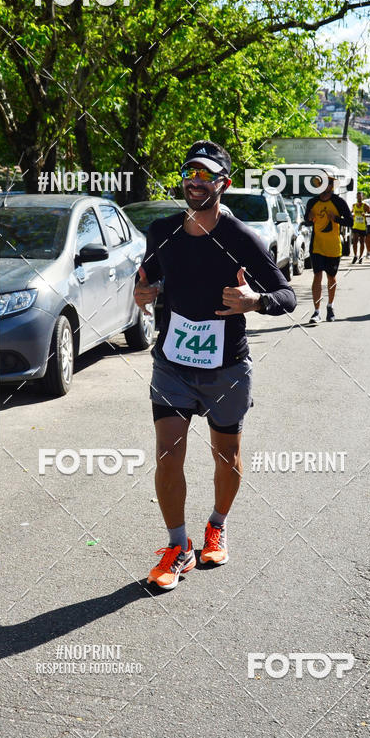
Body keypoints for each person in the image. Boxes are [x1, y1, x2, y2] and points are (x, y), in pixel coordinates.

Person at [134, 140, 297, 590]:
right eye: (190, 172)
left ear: (223, 183)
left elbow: (287, 297)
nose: (195, 181)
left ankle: (217, 524)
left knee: (226, 455)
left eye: (206, 175)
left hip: (227, 367)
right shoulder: (162, 231)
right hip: (173, 363)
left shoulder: (242, 238)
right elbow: (147, 276)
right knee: (168, 452)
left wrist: (255, 301)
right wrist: (141, 291)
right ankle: (177, 546)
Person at [304, 173, 353, 323]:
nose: (322, 187)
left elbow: (350, 222)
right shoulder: (312, 202)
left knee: (331, 277)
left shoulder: (339, 202)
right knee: (317, 275)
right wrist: (309, 218)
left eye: (326, 184)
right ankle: (316, 311)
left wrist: (336, 219)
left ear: (331, 187)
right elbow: (307, 221)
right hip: (317, 245)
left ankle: (330, 306)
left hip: (333, 247)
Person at [351, 190, 370, 263]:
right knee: (355, 241)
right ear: (356, 197)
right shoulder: (354, 205)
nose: (359, 197)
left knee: (362, 242)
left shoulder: (365, 205)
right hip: (355, 225)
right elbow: (352, 212)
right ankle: (355, 256)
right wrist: (352, 214)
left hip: (362, 226)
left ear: (362, 197)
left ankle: (361, 257)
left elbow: (369, 213)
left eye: (360, 196)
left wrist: (365, 215)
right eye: (358, 196)